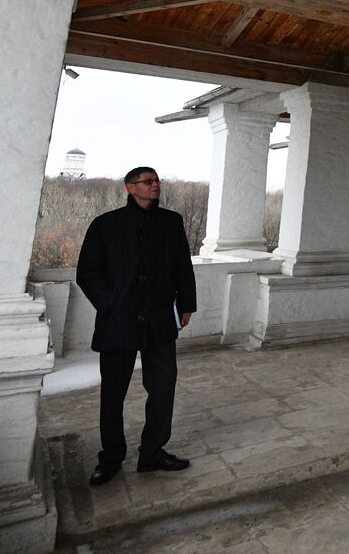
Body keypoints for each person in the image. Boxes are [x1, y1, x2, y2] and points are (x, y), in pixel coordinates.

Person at [76, 166, 197, 486]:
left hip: (158, 319)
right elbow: (88, 273)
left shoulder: (172, 222)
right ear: (130, 188)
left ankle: (153, 452)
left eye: (157, 180)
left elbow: (183, 265)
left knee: (164, 385)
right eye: (147, 181)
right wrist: (112, 302)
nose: (155, 185)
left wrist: (186, 303)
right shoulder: (106, 225)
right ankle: (111, 458)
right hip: (119, 322)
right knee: (113, 394)